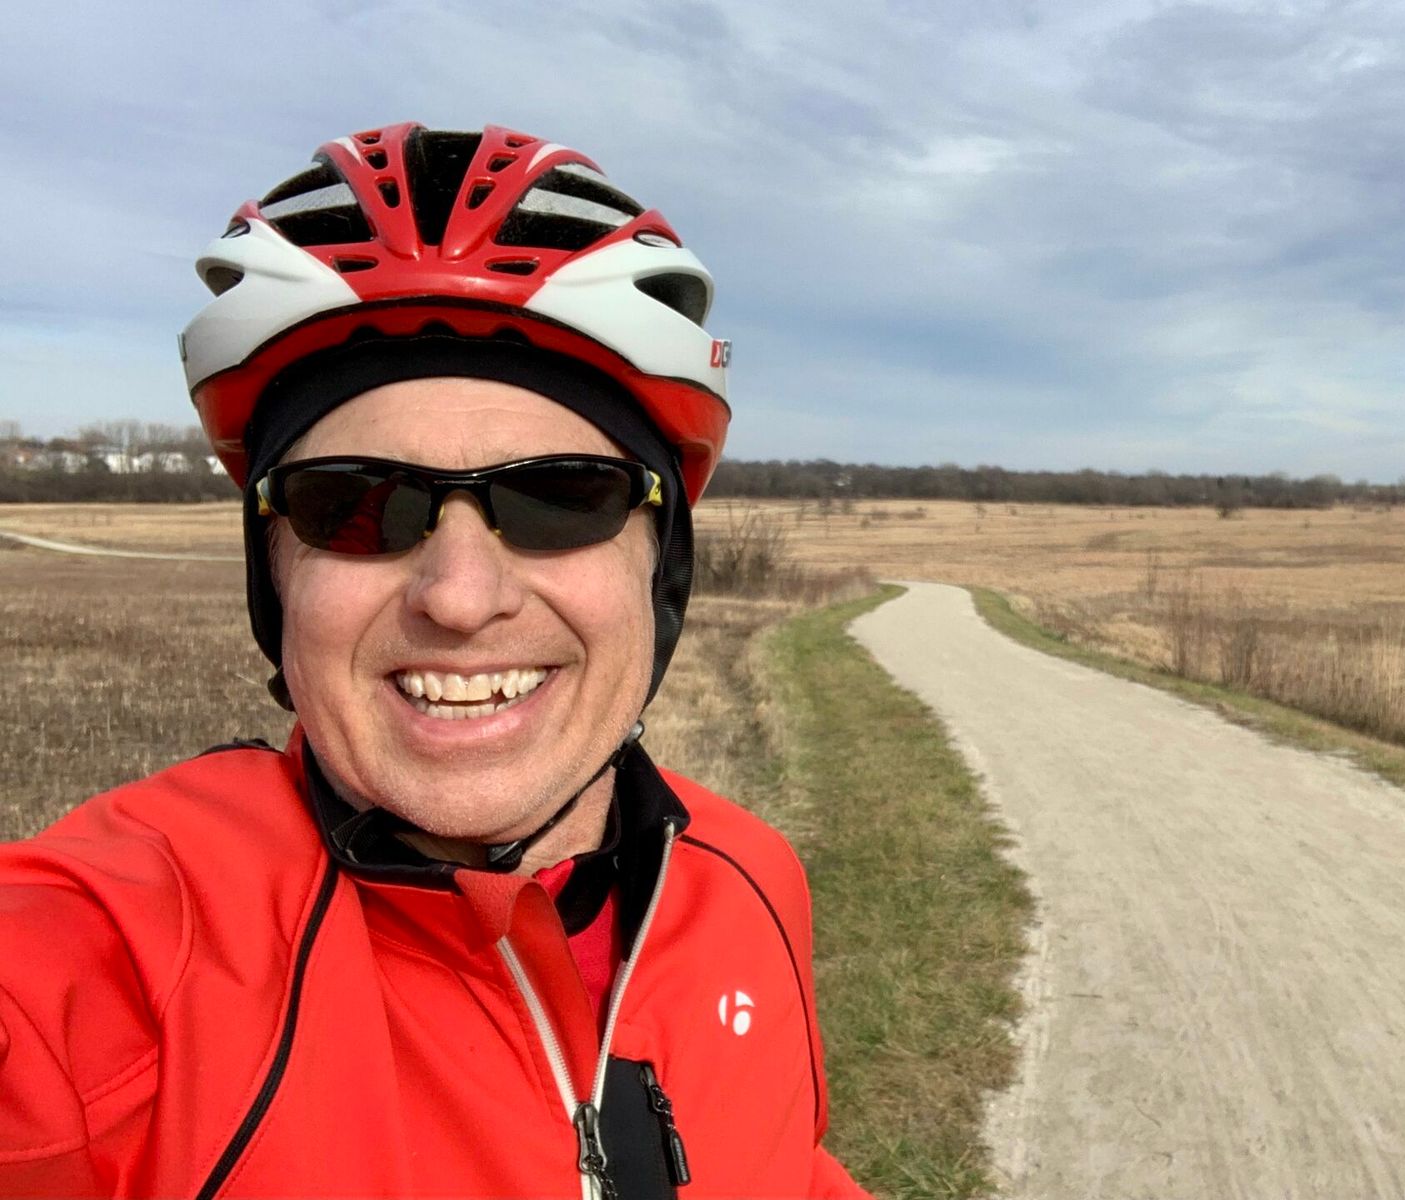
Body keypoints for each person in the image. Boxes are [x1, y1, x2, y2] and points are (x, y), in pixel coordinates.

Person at [0, 122, 869, 1199]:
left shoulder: (746, 882)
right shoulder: (110, 962)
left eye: (560, 497)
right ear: (274, 575)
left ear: (663, 564)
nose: (458, 598)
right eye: (356, 505)